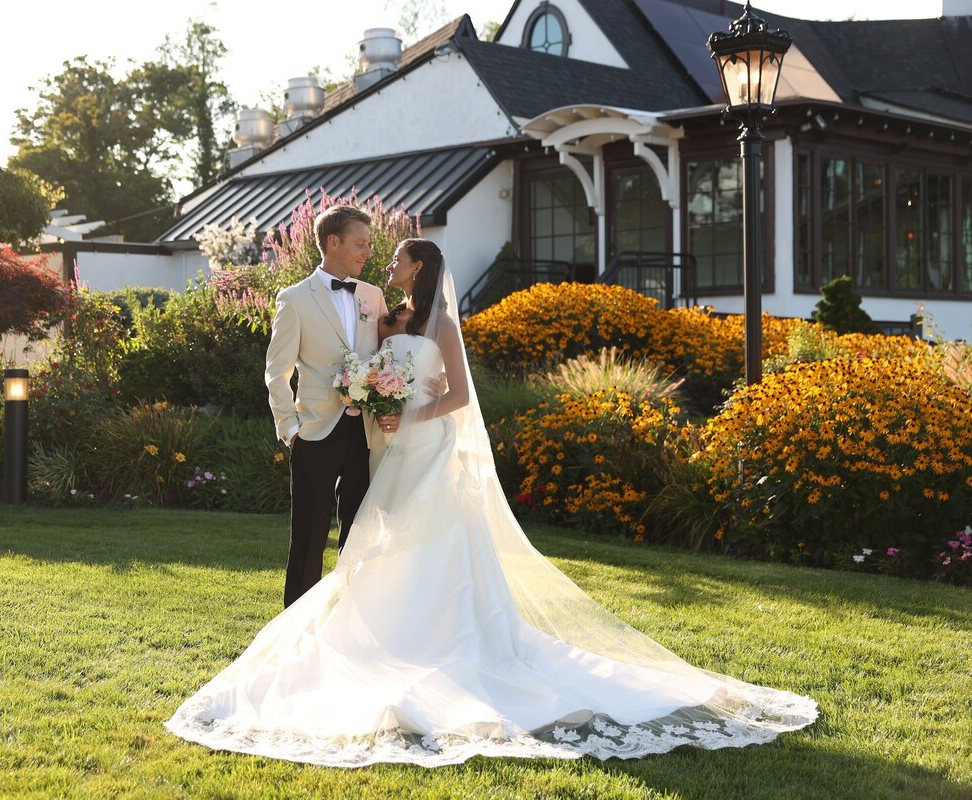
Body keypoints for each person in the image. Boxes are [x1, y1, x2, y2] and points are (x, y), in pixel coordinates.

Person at [168, 239, 818, 767]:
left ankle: (440, 640)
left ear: (420, 267)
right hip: (388, 452)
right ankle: (372, 638)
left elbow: (457, 396)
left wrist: (407, 410)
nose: (385, 264)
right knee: (379, 542)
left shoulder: (440, 321)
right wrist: (375, 400)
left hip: (427, 447)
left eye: (395, 258)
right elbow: (360, 365)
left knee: (431, 544)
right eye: (378, 254)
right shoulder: (387, 314)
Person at [264, 205, 388, 608]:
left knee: (359, 536)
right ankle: (295, 633)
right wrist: (292, 430)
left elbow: (389, 355)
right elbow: (276, 372)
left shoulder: (373, 296)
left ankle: (352, 621)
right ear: (332, 243)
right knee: (309, 538)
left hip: (365, 435)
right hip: (315, 432)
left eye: (368, 244)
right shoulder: (295, 299)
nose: (367, 252)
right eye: (360, 243)